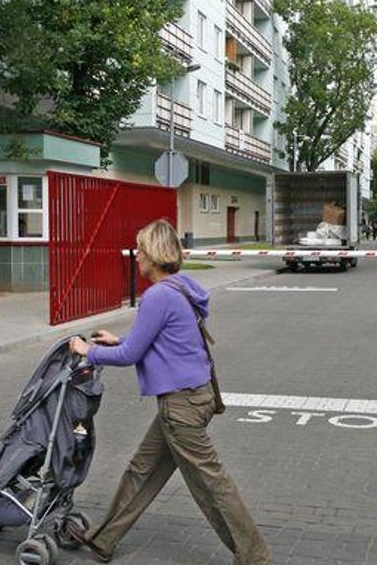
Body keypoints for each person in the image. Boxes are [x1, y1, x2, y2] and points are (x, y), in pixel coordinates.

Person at [67, 220, 272, 565]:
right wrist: (117, 340)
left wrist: (88, 351)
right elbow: (155, 342)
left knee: (211, 485)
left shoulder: (158, 296)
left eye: (141, 252)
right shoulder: (181, 287)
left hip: (181, 407)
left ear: (154, 255)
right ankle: (104, 540)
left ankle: (255, 557)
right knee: (142, 470)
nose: (137, 258)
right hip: (192, 399)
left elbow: (132, 355)